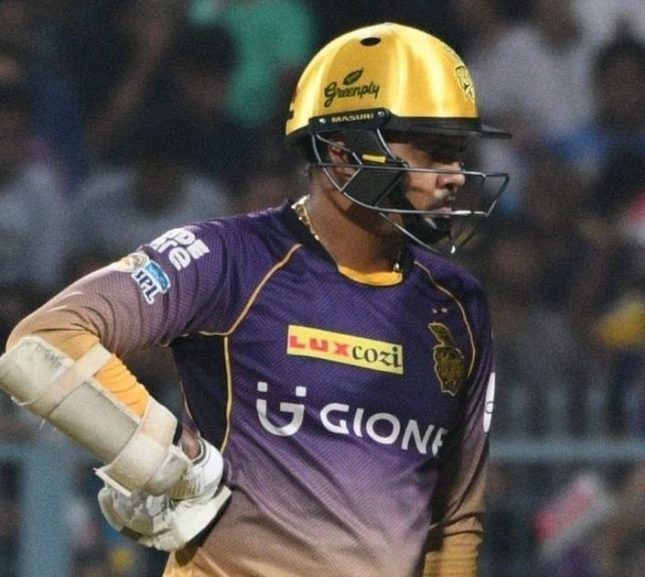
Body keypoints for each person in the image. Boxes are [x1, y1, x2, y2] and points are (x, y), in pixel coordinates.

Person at [0, 22, 508, 577]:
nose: (454, 176)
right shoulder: (230, 259)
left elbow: (455, 521)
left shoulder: (458, 304)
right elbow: (42, 347)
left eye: (458, 153)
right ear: (343, 154)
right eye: (432, 151)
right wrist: (167, 462)